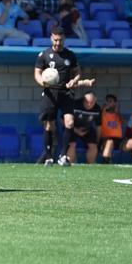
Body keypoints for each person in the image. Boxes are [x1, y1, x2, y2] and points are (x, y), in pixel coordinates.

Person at [34, 28, 94, 166]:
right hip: (50, 93)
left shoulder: (70, 55)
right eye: (55, 40)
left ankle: (63, 156)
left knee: (70, 123)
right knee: (49, 125)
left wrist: (74, 80)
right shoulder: (44, 55)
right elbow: (37, 73)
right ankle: (48, 156)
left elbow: (78, 72)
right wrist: (42, 82)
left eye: (60, 40)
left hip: (66, 93)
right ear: (51, 38)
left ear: (64, 39)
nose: (57, 42)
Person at [98, 94, 124, 164]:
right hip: (105, 138)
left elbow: (123, 121)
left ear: (115, 103)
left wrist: (117, 110)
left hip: (117, 139)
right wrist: (106, 107)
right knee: (109, 142)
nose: (108, 103)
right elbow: (99, 115)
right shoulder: (103, 113)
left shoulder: (117, 114)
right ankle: (105, 163)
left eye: (110, 101)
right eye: (107, 101)